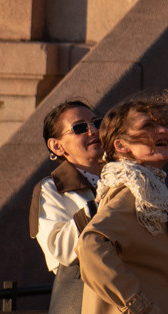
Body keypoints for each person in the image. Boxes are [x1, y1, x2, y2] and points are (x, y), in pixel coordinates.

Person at [78, 90, 168, 314]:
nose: (162, 131)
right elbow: (90, 245)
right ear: (121, 146)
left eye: (162, 124)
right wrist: (138, 305)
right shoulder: (131, 189)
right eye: (147, 126)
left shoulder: (150, 189)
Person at [29, 100, 103, 314]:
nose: (93, 131)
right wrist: (99, 205)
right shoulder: (52, 189)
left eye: (97, 123)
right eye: (80, 128)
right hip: (86, 297)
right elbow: (63, 251)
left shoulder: (127, 176)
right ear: (57, 146)